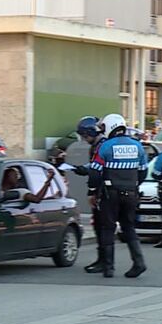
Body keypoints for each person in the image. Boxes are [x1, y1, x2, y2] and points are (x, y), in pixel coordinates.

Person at [88, 113, 148, 279]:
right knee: (129, 227)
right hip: (131, 194)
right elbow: (143, 171)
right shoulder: (137, 146)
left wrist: (93, 190)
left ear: (111, 127)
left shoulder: (105, 146)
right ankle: (139, 263)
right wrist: (134, 185)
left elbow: (95, 172)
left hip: (110, 194)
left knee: (108, 228)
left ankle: (109, 267)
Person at [69, 116, 107, 273]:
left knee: (102, 227)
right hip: (102, 190)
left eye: (85, 136)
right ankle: (103, 260)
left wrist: (85, 171)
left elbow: (97, 167)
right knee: (99, 226)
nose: (84, 140)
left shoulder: (101, 146)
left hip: (103, 192)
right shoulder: (98, 145)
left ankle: (105, 262)